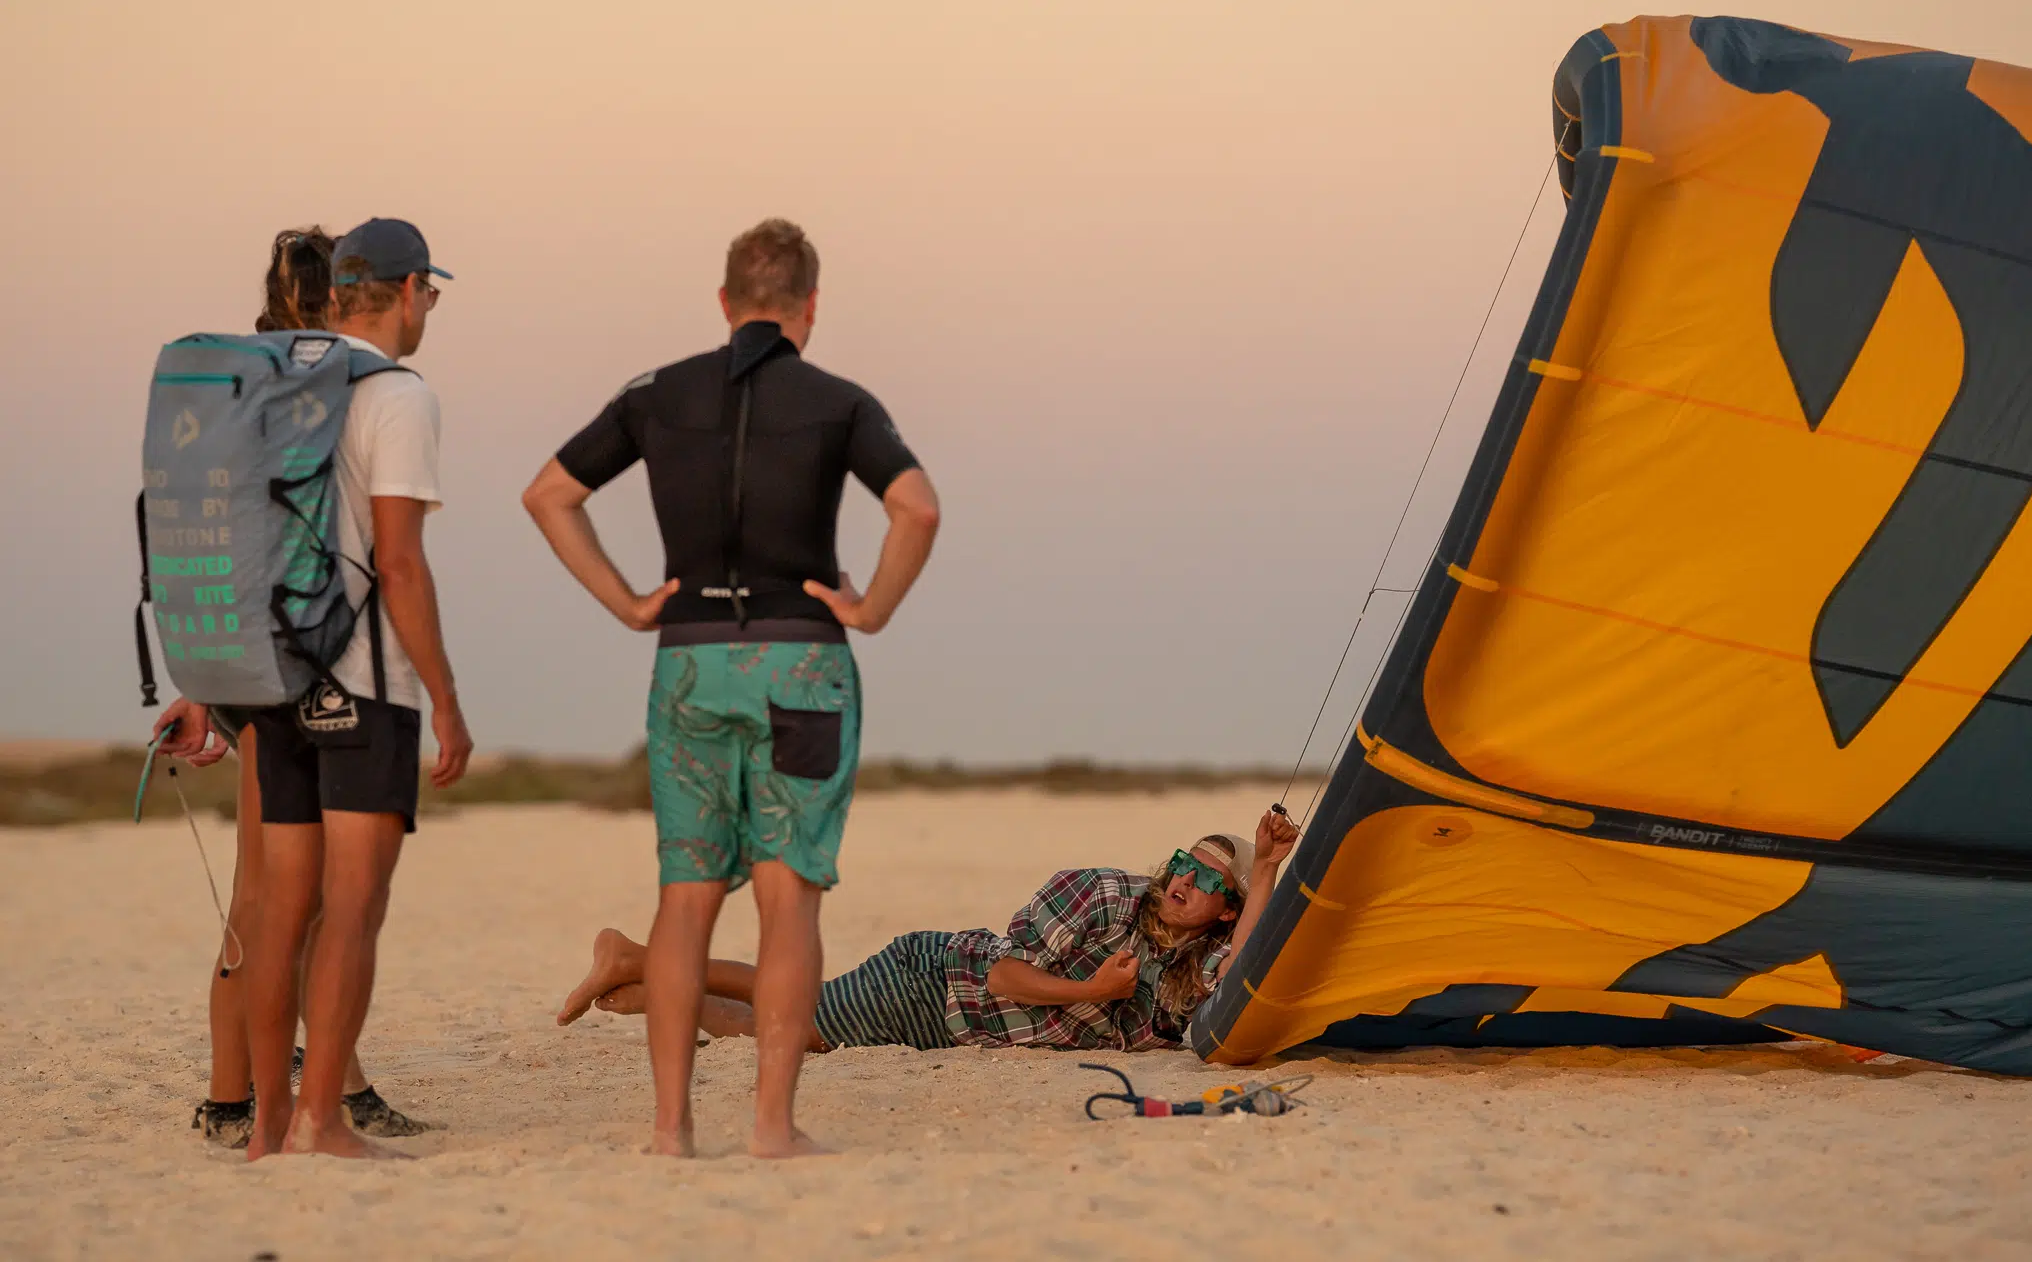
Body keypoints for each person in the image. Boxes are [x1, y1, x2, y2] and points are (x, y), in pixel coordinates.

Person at [522, 218, 940, 1158]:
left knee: (685, 898)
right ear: (811, 306)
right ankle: (771, 1127)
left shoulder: (655, 394)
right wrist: (871, 607)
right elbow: (916, 507)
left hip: (690, 659)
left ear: (724, 301)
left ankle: (671, 1129)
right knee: (789, 901)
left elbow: (548, 493)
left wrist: (629, 602)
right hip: (804, 663)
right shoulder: (839, 401)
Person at [178, 216, 469, 1160]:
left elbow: (222, 536)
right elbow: (401, 561)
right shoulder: (397, 395)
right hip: (360, 679)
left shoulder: (265, 386)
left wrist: (204, 676)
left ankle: (267, 1124)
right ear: (409, 290)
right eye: (430, 292)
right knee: (347, 908)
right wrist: (446, 697)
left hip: (268, 678)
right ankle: (323, 1119)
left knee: (275, 910)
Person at [554, 807, 1301, 1053]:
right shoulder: (1103, 893)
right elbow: (1005, 974)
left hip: (958, 1029)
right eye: (1185, 863)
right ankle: (640, 963)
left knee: (796, 1014)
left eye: (1210, 881)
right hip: (939, 982)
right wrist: (1091, 990)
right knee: (797, 1024)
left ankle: (646, 979)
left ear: (1226, 911)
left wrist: (1266, 865)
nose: (1185, 880)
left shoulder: (1195, 965)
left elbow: (1245, 964)